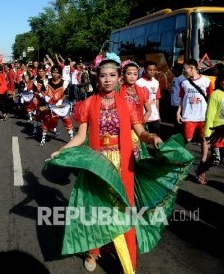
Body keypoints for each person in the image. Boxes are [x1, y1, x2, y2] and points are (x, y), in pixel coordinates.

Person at [50, 59, 162, 273]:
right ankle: (93, 250)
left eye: (112, 75)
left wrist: (152, 138)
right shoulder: (88, 104)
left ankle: (125, 256)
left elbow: (140, 132)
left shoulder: (128, 105)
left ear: (119, 77)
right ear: (97, 78)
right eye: (103, 76)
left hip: (122, 163)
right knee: (96, 207)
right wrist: (62, 151)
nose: (108, 79)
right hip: (98, 164)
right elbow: (81, 136)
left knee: (122, 209)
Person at [177, 58, 213, 184]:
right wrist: (178, 112)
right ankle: (182, 163)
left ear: (191, 68)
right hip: (189, 116)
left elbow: (211, 99)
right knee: (187, 140)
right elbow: (182, 98)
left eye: (185, 68)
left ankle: (202, 165)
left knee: (205, 139)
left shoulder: (206, 81)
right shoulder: (184, 83)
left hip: (203, 116)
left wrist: (212, 116)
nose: (183, 71)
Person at [204, 68, 224, 194]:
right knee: (216, 159)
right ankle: (200, 168)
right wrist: (207, 134)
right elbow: (209, 115)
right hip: (217, 134)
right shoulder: (215, 94)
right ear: (220, 80)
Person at [120, 61, 152, 159]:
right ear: (123, 74)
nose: (132, 77)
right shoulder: (118, 90)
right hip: (122, 128)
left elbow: (149, 110)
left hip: (137, 129)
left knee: (135, 156)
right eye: (129, 74)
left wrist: (142, 121)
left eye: (135, 74)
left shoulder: (142, 91)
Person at [136, 61, 161, 135]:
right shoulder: (138, 83)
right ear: (145, 70)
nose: (152, 72)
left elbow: (157, 99)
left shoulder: (156, 82)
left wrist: (158, 114)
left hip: (154, 116)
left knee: (156, 137)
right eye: (150, 70)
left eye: (154, 70)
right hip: (144, 116)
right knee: (144, 138)